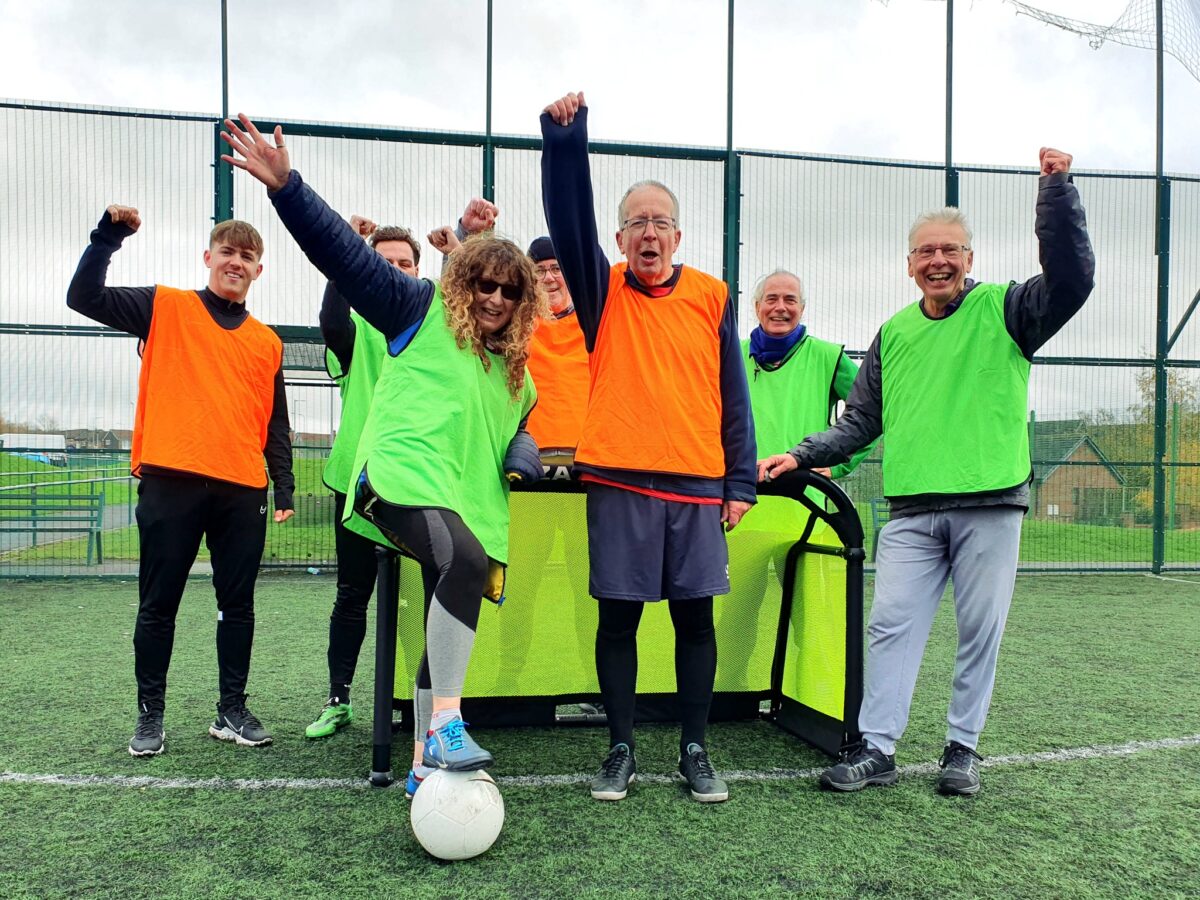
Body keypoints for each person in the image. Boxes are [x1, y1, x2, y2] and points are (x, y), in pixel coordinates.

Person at [220, 114, 548, 798]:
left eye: (507, 290)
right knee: (457, 559)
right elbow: (345, 255)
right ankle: (445, 729)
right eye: (482, 284)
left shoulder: (520, 376)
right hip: (395, 481)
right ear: (463, 284)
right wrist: (288, 189)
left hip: (467, 507)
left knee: (449, 596)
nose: (492, 297)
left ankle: (427, 763)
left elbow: (519, 425)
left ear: (522, 303)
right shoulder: (417, 309)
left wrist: (530, 452)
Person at [759, 147, 1094, 796]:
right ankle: (877, 748)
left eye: (950, 250)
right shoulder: (893, 334)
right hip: (911, 513)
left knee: (979, 631)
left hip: (990, 504)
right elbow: (859, 422)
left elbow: (1074, 280)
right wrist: (801, 454)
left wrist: (1057, 192)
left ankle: (962, 750)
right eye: (925, 252)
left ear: (969, 258)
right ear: (909, 264)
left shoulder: (1011, 309)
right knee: (889, 625)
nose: (937, 261)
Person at [541, 92, 756, 803]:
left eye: (661, 222)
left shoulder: (714, 297)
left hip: (697, 487)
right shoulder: (602, 294)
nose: (649, 234)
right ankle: (621, 749)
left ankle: (695, 748)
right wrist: (567, 142)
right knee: (619, 620)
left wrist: (741, 483)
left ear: (679, 235)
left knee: (695, 620)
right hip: (622, 484)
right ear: (621, 238)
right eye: (637, 224)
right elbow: (567, 219)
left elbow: (733, 396)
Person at [67, 206, 295, 757]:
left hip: (242, 489)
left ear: (258, 270)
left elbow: (275, 421)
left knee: (237, 605)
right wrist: (108, 237)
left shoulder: (267, 342)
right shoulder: (165, 306)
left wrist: (282, 485)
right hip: (173, 478)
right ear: (209, 258)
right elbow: (84, 297)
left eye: (247, 256)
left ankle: (231, 709)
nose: (236, 262)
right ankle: (150, 715)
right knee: (158, 603)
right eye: (228, 252)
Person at [306, 202, 500, 741]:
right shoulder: (362, 332)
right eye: (383, 262)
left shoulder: (427, 322)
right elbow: (331, 318)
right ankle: (338, 697)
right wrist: (343, 249)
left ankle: (426, 725)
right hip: (361, 482)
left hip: (424, 482)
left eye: (405, 264)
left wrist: (464, 236)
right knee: (352, 596)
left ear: (419, 271)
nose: (394, 270)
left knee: (436, 589)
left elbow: (460, 304)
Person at [719, 268, 870, 687]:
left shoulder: (828, 357)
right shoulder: (734, 354)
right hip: (744, 510)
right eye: (771, 299)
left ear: (802, 308)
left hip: (807, 513)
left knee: (810, 616)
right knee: (732, 614)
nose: (780, 308)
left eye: (789, 300)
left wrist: (838, 465)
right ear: (756, 306)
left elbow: (874, 418)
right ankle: (728, 695)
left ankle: (814, 701)